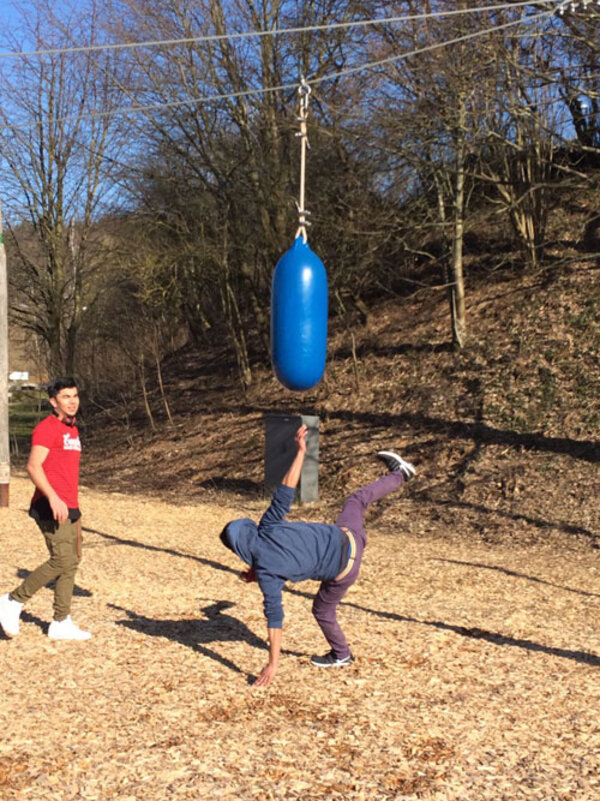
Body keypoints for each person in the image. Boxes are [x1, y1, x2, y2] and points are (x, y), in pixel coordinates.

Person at [219, 424, 415, 687]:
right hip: (350, 538)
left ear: (238, 551)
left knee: (323, 610)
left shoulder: (268, 575)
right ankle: (400, 475)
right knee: (356, 501)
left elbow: (275, 618)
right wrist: (301, 451)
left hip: (345, 572)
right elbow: (287, 488)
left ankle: (342, 654)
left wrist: (273, 664)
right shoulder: (268, 525)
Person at [0, 377, 91, 641]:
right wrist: (52, 497)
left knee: (71, 561)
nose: (72, 401)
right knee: (61, 559)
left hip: (69, 504)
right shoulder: (46, 428)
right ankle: (12, 601)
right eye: (66, 397)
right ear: (53, 401)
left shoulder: (72, 429)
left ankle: (61, 622)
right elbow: (33, 466)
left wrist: (70, 502)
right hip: (50, 504)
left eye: (75, 396)